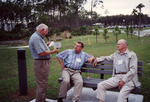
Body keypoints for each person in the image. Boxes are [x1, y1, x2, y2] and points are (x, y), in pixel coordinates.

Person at [29, 23, 59, 102]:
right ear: (42, 30)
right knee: (42, 84)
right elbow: (41, 53)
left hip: (41, 63)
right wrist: (53, 51)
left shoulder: (37, 37)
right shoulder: (36, 38)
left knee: (42, 83)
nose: (47, 32)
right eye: (47, 30)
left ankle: (42, 99)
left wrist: (45, 45)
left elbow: (39, 48)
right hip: (41, 63)